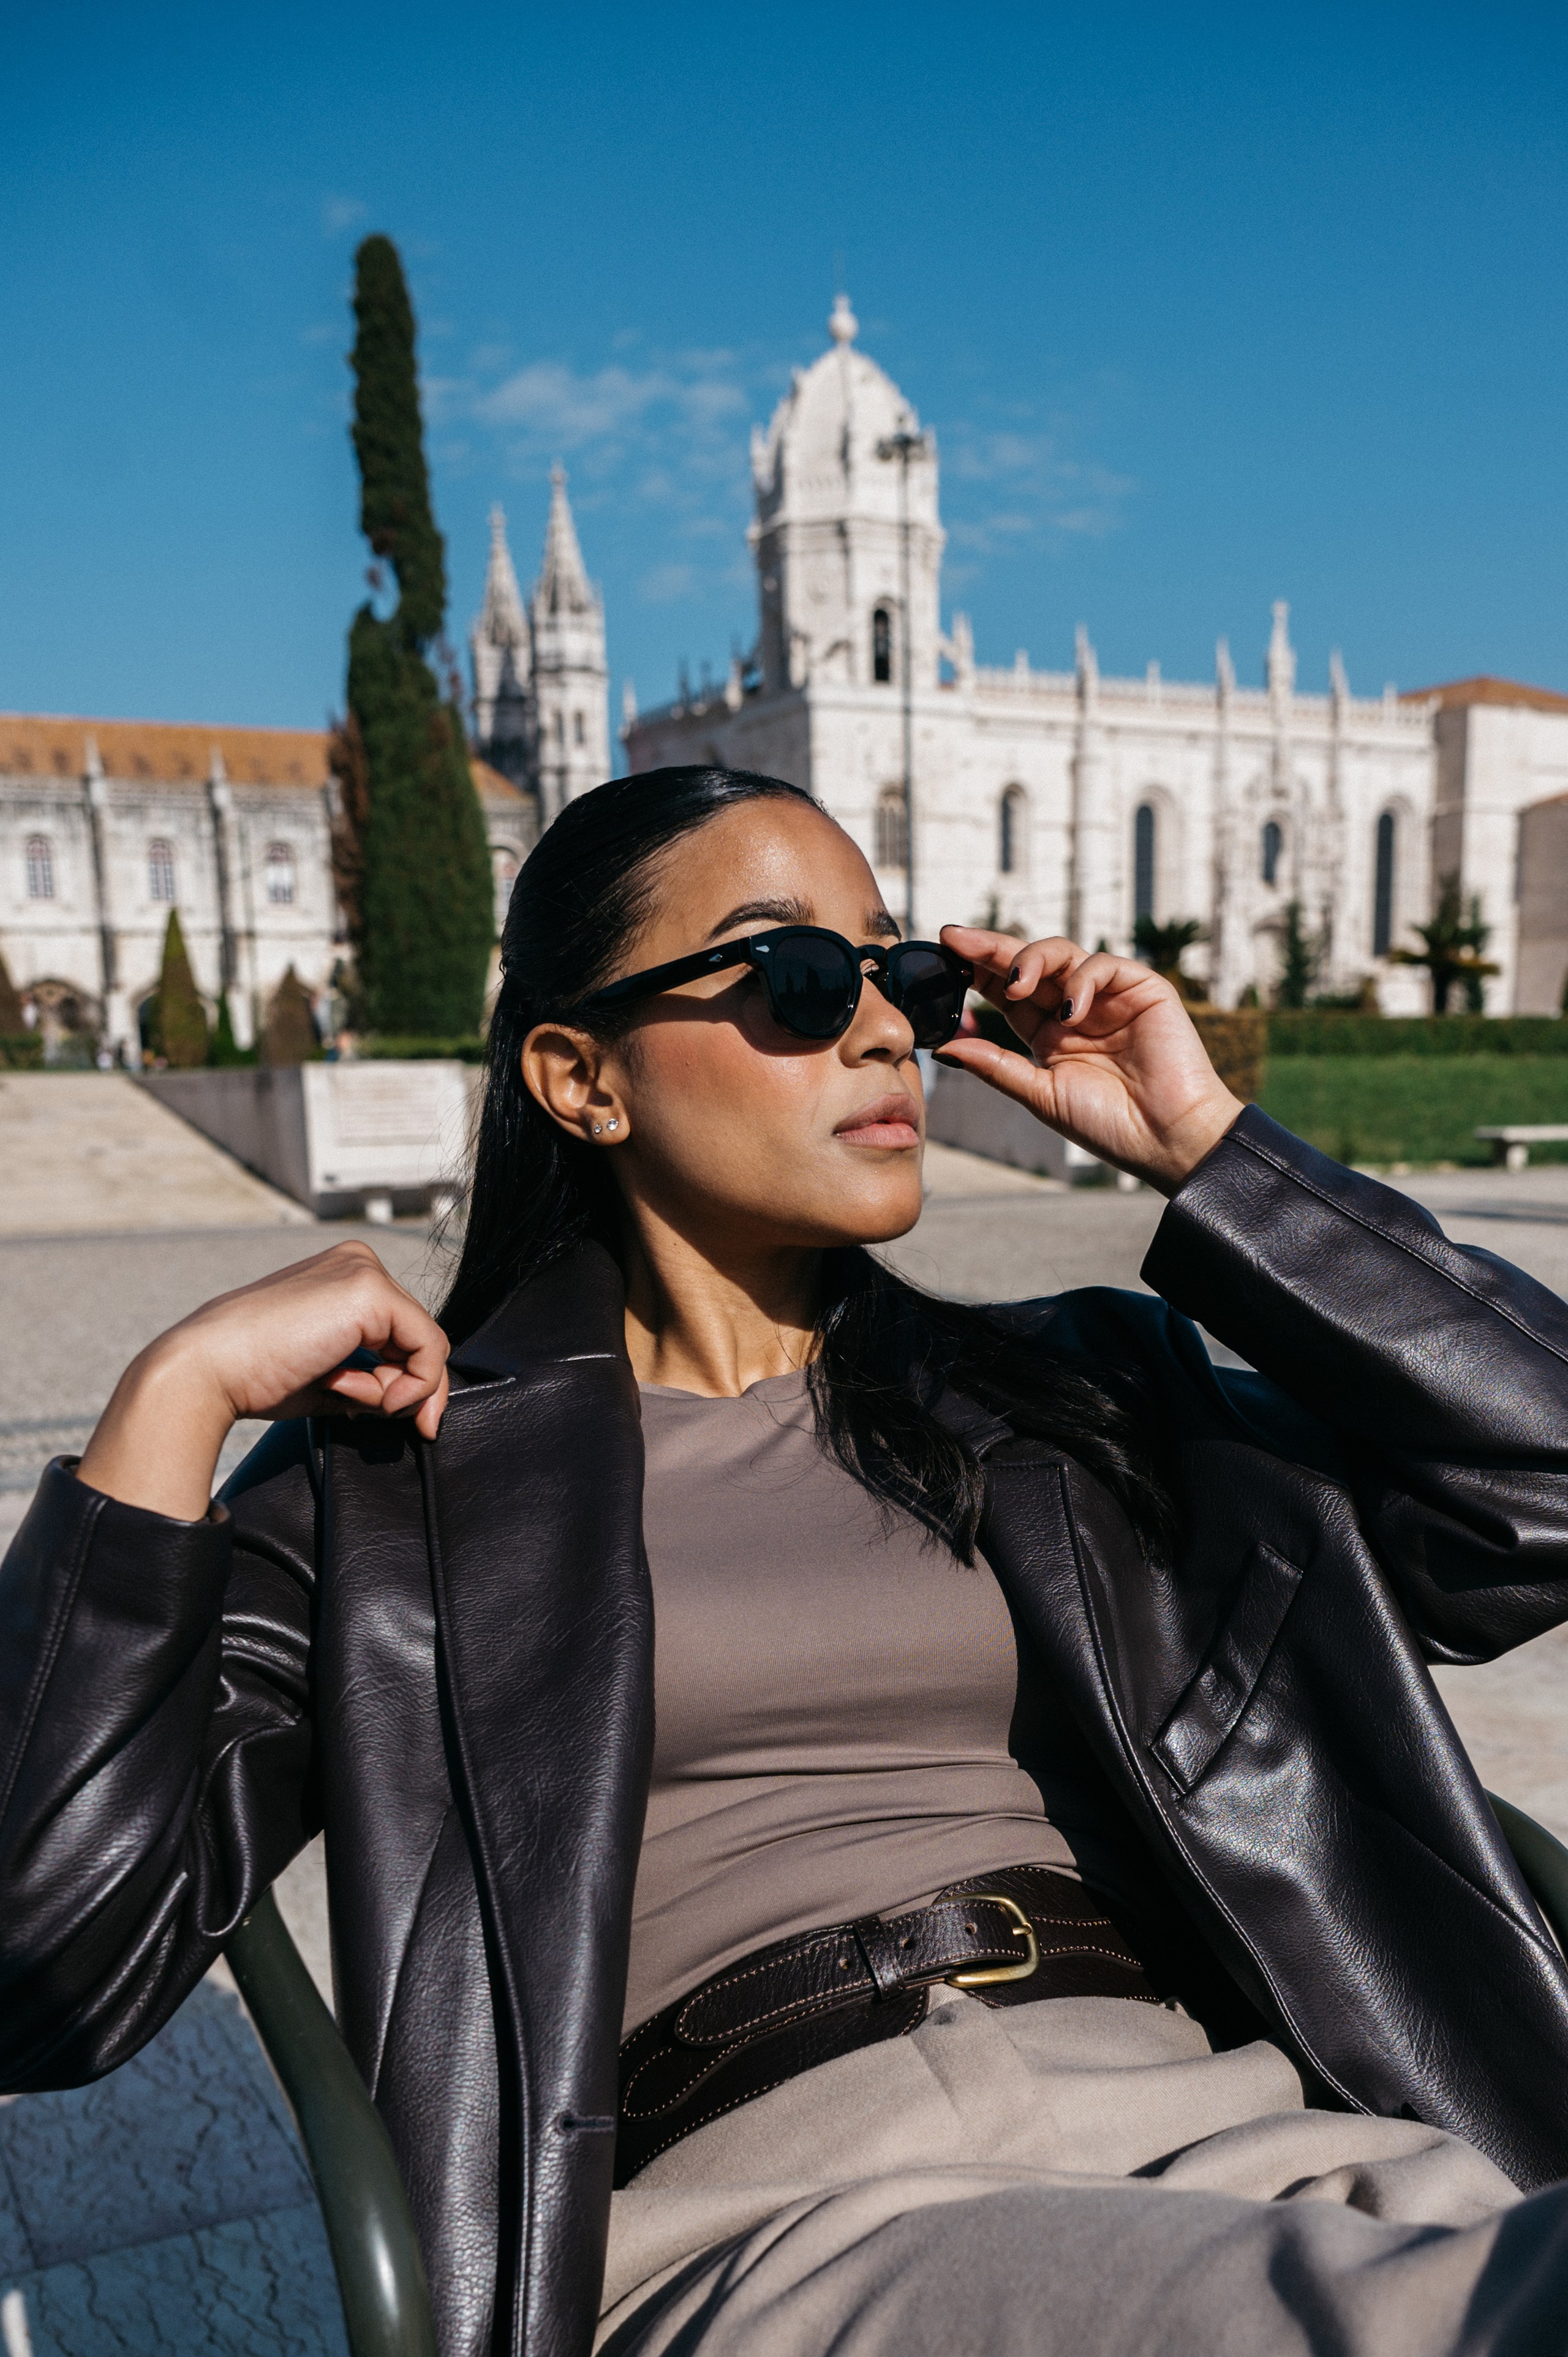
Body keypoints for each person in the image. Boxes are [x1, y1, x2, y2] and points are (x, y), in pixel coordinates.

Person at [4, 763, 1568, 2357]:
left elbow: (1542, 1491)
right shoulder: (394, 1483)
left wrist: (1213, 1151)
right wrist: (173, 1400)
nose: (886, 1027)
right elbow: (43, 1962)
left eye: (903, 975)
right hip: (782, 2220)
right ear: (581, 1077)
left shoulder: (1081, 1395)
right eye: (800, 977)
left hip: (1243, 2141)